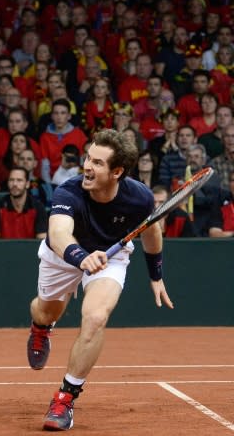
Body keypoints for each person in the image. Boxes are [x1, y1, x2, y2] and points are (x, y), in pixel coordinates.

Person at [26, 129, 173, 431]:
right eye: (87, 158)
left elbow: (152, 232)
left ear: (117, 172)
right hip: (64, 256)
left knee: (95, 317)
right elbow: (58, 235)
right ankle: (41, 328)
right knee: (46, 311)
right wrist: (81, 257)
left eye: (97, 162)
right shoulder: (69, 191)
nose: (87, 167)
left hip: (111, 255)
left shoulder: (139, 198)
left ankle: (65, 397)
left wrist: (156, 275)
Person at [0, 167, 48, 239]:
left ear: (27, 184)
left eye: (19, 180)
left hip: (30, 250)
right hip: (3, 250)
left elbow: (41, 242)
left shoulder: (38, 208)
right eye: (11, 180)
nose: (14, 184)